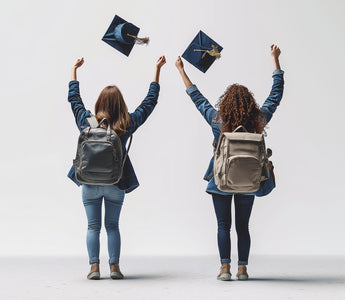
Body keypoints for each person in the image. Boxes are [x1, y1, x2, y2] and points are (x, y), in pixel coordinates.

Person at [175, 45, 284, 280]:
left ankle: (225, 268)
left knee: (223, 225)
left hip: (220, 179)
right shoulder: (258, 120)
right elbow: (276, 95)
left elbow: (197, 97)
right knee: (243, 226)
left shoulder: (218, 119)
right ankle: (242, 269)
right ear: (250, 103)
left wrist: (182, 70)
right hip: (249, 180)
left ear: (226, 102)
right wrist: (276, 62)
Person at [67, 55, 166, 280]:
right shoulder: (126, 124)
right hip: (115, 183)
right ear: (120, 104)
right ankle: (114, 267)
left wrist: (74, 70)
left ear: (99, 103)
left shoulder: (85, 121)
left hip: (89, 182)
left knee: (92, 227)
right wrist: (157, 70)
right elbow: (150, 102)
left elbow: (74, 99)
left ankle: (93, 268)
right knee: (112, 226)